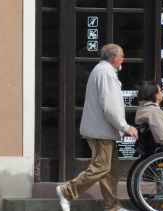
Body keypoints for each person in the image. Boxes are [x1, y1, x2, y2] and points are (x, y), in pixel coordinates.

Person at [56, 43, 139, 211]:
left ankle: (112, 206)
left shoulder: (102, 71)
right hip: (101, 131)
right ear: (114, 57)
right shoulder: (106, 73)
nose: (123, 59)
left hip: (101, 130)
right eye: (122, 55)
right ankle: (66, 191)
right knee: (101, 167)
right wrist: (125, 126)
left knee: (110, 171)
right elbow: (110, 106)